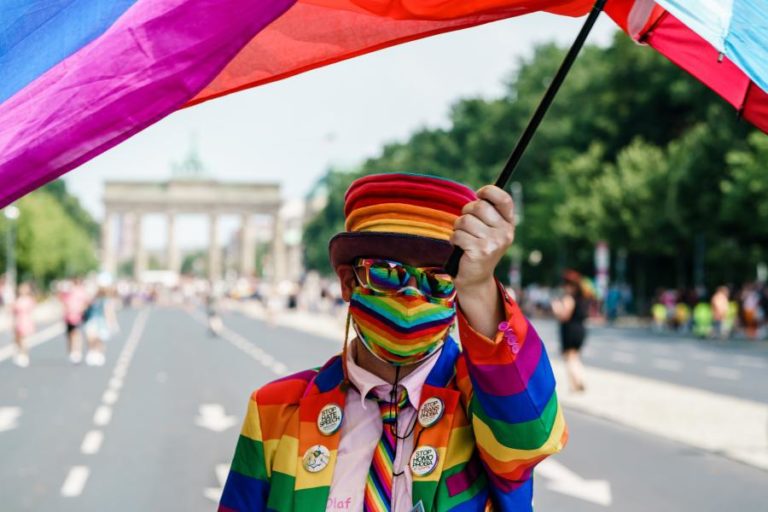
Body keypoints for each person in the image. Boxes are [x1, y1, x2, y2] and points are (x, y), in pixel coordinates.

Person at [218, 173, 567, 512]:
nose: (412, 296)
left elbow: (532, 436)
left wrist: (479, 285)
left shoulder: (484, 402)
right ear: (348, 282)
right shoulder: (274, 410)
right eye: (387, 272)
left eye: (437, 278)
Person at [551, 270, 588, 393]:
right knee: (575, 356)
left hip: (570, 330)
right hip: (580, 329)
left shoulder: (569, 298)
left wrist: (556, 307)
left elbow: (564, 316)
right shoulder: (581, 298)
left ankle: (576, 383)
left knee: (569, 357)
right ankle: (579, 380)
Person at [83, 286, 119, 366]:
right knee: (95, 339)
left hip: (98, 322)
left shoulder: (104, 301)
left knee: (95, 339)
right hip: (95, 322)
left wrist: (112, 323)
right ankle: (94, 354)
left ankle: (97, 354)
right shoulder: (92, 300)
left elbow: (108, 312)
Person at [59, 278, 89, 363]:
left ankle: (77, 351)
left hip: (77, 316)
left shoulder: (81, 291)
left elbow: (86, 302)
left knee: (76, 333)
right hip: (68, 316)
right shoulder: (67, 292)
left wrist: (81, 310)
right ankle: (71, 351)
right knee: (69, 335)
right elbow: (62, 301)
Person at [12, 283, 36, 368]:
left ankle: (24, 355)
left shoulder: (29, 300)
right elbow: (13, 310)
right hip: (18, 321)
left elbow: (32, 311)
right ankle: (20, 353)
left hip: (25, 321)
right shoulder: (17, 299)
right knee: (17, 339)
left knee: (23, 339)